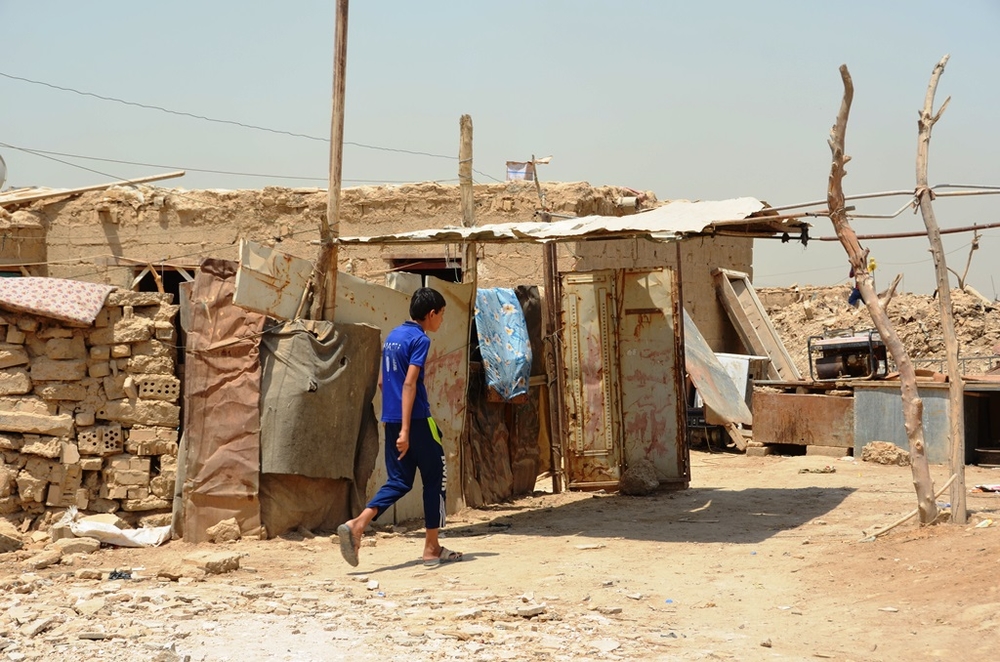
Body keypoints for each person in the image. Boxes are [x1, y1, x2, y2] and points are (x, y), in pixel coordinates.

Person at [337, 287, 463, 568]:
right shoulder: (420, 339)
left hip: (391, 420)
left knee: (400, 481)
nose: (441, 321)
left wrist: (396, 422)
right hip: (417, 422)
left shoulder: (393, 336)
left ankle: (358, 524)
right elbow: (409, 383)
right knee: (435, 478)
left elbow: (384, 382)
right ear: (431, 314)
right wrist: (407, 429)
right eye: (441, 315)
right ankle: (432, 548)